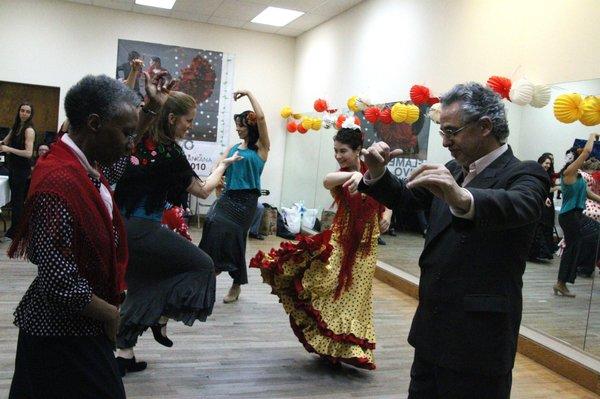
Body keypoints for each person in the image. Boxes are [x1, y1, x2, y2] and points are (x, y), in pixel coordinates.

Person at [356, 82, 548, 398]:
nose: (445, 142)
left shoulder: (524, 173)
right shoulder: (453, 170)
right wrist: (377, 173)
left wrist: (460, 197)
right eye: (442, 132)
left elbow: (518, 205)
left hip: (478, 341)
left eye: (451, 132)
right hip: (432, 331)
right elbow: (407, 199)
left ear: (485, 126)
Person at [6, 75, 142, 399]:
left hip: (75, 323)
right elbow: (58, 278)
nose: (130, 143)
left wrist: (148, 109)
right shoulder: (59, 182)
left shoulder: (84, 165)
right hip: (60, 329)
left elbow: (117, 168)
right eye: (125, 133)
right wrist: (111, 315)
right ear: (94, 124)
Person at [113, 90, 242, 376]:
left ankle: (124, 354)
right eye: (188, 120)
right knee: (204, 266)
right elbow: (203, 190)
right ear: (171, 118)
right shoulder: (169, 151)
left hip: (121, 228)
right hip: (142, 229)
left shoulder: (140, 142)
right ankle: (159, 315)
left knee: (143, 283)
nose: (190, 126)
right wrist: (223, 164)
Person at [251, 126, 391, 369]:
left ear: (358, 150)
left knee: (356, 295)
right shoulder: (342, 174)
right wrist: (353, 176)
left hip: (367, 244)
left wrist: (388, 213)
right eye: (335, 151)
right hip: (343, 239)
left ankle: (348, 348)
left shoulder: (375, 172)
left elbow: (390, 195)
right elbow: (328, 180)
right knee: (328, 286)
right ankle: (328, 344)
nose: (338, 156)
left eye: (343, 151)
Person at [199, 90, 269, 303]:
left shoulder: (262, 149)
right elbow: (218, 165)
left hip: (246, 202)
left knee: (235, 239)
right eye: (237, 126)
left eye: (242, 126)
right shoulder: (233, 148)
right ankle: (210, 269)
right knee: (212, 223)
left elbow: (263, 118)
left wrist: (248, 93)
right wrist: (215, 176)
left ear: (251, 127)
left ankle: (236, 283)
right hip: (228, 197)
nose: (238, 129)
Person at [554, 135, 600, 295]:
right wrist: (592, 136)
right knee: (573, 248)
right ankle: (561, 283)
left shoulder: (578, 177)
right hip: (570, 215)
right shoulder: (568, 173)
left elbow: (587, 193)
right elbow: (587, 151)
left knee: (575, 247)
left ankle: (563, 282)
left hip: (575, 215)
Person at [0, 102, 35, 242]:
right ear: (18, 111)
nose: (24, 113)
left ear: (31, 114)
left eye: (27, 111)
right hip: (13, 168)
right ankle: (14, 230)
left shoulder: (29, 130)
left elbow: (28, 153)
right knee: (15, 201)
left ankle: (16, 232)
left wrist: (9, 150)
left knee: (18, 202)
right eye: (22, 110)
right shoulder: (16, 127)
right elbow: (4, 142)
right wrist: (3, 145)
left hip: (22, 170)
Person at [528, 154, 558, 261]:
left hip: (545, 202)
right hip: (539, 201)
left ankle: (538, 253)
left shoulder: (547, 174)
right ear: (541, 162)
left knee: (543, 226)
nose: (548, 165)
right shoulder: (536, 173)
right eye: (546, 163)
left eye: (549, 164)